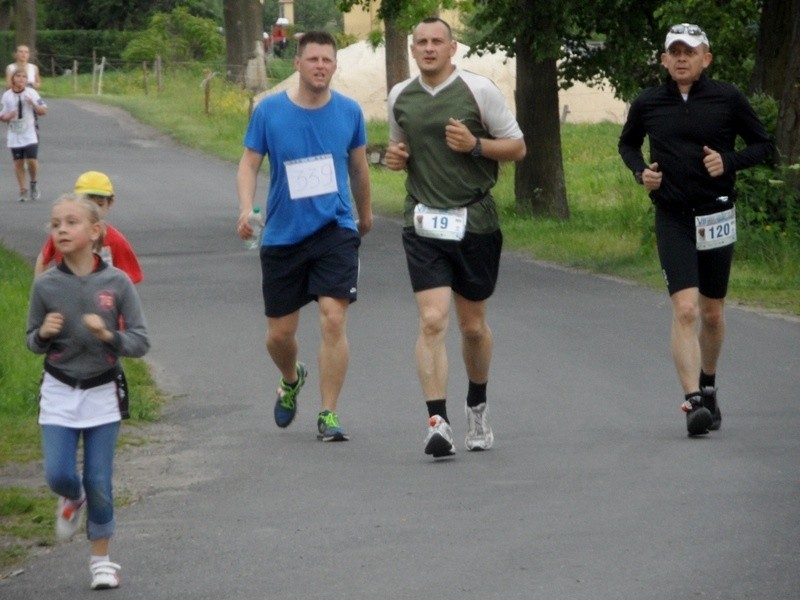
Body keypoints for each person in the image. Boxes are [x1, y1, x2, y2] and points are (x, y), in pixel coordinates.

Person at [618, 23, 773, 436]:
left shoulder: (727, 98)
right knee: (685, 309)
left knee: (712, 312)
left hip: (716, 214)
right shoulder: (649, 102)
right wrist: (640, 173)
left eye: (691, 52)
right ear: (665, 60)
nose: (682, 58)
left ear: (706, 59)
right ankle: (693, 403)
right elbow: (627, 145)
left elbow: (764, 145)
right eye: (675, 52)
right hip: (673, 216)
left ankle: (708, 383)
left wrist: (730, 161)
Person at [385, 17, 526, 458]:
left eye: (436, 42)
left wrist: (476, 146)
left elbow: (518, 147)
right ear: (412, 50)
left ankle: (477, 406)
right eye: (421, 43)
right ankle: (437, 422)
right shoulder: (399, 97)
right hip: (423, 221)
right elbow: (400, 148)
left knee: (472, 327)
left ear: (453, 48)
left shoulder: (478, 91)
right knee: (432, 321)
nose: (428, 49)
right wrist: (395, 157)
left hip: (475, 221)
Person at [236, 30, 372, 442]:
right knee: (280, 335)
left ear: (334, 65)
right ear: (297, 64)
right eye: (312, 59)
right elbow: (248, 165)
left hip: (335, 229)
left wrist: (363, 214)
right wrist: (245, 208)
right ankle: (291, 378)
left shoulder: (349, 112)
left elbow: (359, 169)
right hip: (282, 234)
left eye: (327, 60)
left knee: (333, 317)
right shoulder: (269, 111)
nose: (320, 66)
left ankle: (328, 413)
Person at [25, 193, 150, 590]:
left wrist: (108, 335)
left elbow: (141, 341)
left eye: (70, 222)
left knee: (100, 479)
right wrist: (43, 334)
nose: (60, 229)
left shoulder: (117, 283)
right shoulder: (46, 285)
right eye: (55, 223)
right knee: (59, 473)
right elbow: (31, 339)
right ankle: (71, 497)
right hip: (60, 389)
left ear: (95, 232)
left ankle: (102, 561)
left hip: (102, 390)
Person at [35, 171, 143, 284]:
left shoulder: (116, 241)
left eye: (100, 204)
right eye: (87, 204)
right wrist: (39, 290)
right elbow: (43, 258)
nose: (94, 210)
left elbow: (129, 280)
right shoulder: (64, 234)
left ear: (110, 203)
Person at [0, 68, 46, 202]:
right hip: (15, 133)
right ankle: (23, 189)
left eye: (24, 77)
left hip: (30, 132)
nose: (21, 79)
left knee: (31, 160)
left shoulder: (32, 93)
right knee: (18, 162)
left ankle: (33, 183)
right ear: (13, 79)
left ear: (26, 80)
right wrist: (7, 116)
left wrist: (33, 104)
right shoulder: (7, 95)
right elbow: (2, 114)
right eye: (18, 76)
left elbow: (43, 110)